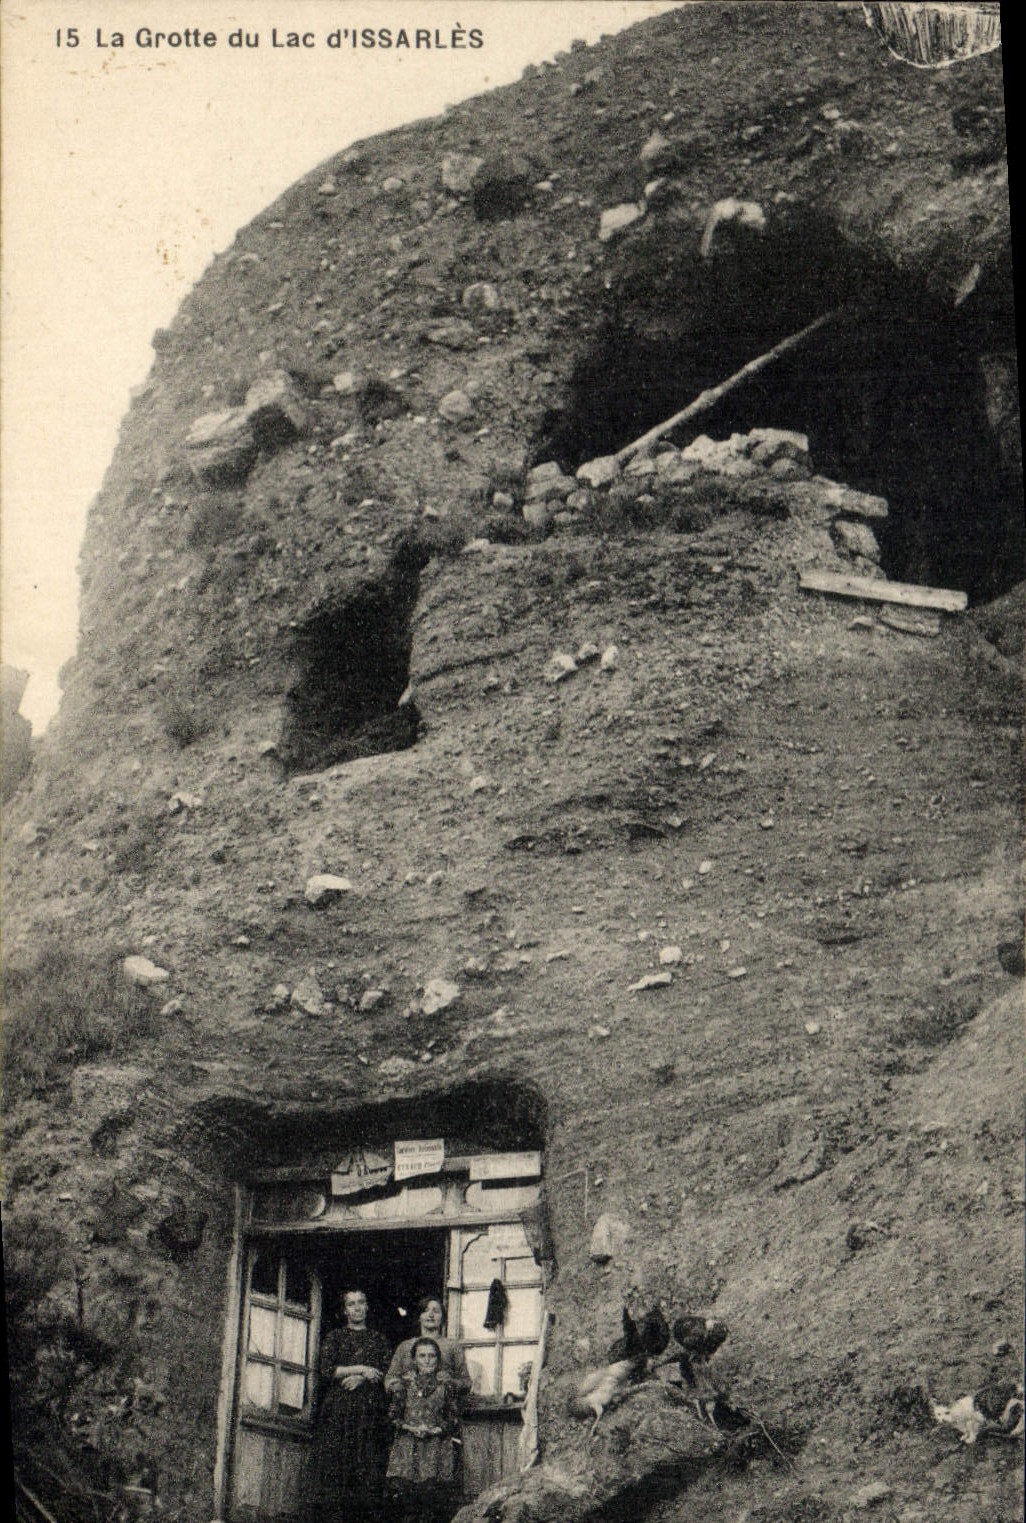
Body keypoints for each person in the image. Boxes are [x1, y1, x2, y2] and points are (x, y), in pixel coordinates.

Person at [309, 1288, 392, 1523]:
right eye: (351, 1304)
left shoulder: (378, 1339)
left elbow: (385, 1373)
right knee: (337, 1463)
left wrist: (363, 1379)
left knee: (365, 1463)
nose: (357, 1308)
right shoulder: (336, 1337)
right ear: (345, 1310)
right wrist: (361, 1369)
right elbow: (327, 1370)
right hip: (339, 1409)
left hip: (369, 1410)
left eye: (361, 1303)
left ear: (367, 1307)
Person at [386, 1337, 463, 1523]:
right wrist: (410, 1427)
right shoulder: (403, 1386)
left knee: (433, 1503)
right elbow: (392, 1417)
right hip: (407, 1448)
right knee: (407, 1503)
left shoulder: (446, 1386)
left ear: (438, 1359)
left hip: (436, 1448)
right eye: (422, 1356)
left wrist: (436, 1429)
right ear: (414, 1359)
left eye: (432, 1356)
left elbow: (453, 1417)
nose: (427, 1360)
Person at [385, 1296, 472, 1399]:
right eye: (425, 1311)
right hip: (410, 1406)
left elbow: (466, 1382)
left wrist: (450, 1382)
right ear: (419, 1317)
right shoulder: (405, 1346)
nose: (431, 1314)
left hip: (442, 1406)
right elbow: (390, 1378)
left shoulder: (452, 1346)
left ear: (443, 1318)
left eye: (436, 1311)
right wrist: (403, 1384)